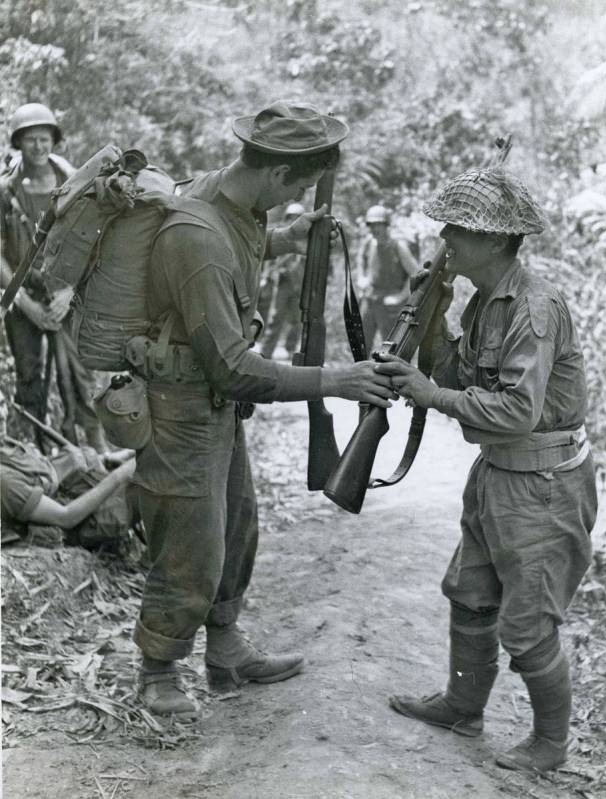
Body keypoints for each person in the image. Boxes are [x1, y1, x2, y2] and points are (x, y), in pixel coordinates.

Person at [129, 101, 396, 720]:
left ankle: (224, 647)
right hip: (181, 404)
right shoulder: (195, 237)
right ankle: (158, 670)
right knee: (188, 539)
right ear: (278, 175)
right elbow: (231, 365)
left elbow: (241, 246)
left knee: (236, 526)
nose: (297, 195)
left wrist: (285, 237)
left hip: (215, 403)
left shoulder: (234, 201)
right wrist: (334, 379)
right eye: (298, 187)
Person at [375, 167, 597, 773]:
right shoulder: (482, 304)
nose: (445, 237)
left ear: (498, 241)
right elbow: (456, 377)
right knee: (470, 596)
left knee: (526, 627)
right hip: (498, 474)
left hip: (543, 485)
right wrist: (435, 318)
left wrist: (429, 394)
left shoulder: (536, 309)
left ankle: (550, 743)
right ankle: (462, 705)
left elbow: (519, 411)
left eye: (459, 228)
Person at [0, 103, 106, 451]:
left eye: (44, 139)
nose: (38, 147)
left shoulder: (75, 183)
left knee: (79, 374)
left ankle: (91, 450)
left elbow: (91, 240)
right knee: (30, 377)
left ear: (54, 141)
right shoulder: (6, 191)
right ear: (18, 142)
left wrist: (70, 291)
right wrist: (25, 304)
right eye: (30, 139)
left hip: (67, 297)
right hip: (23, 297)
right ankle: (35, 454)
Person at [0, 392, 135, 547]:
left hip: (85, 491)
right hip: (83, 522)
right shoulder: (3, 479)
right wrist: (121, 474)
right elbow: (66, 517)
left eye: (2, 404)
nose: (2, 415)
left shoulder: (5, 443)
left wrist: (106, 459)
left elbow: (47, 472)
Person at [357, 204, 419, 351]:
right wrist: (362, 278)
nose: (374, 229)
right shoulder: (368, 243)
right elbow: (361, 260)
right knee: (361, 343)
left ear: (386, 225)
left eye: (379, 224)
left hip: (390, 302)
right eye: (371, 225)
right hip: (370, 297)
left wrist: (401, 296)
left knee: (392, 348)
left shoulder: (398, 246)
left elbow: (416, 275)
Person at [259, 202, 305, 360]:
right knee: (275, 318)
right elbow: (269, 261)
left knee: (297, 321)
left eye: (297, 218)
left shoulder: (307, 239)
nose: (294, 220)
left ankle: (291, 350)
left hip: (300, 285)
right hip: (282, 283)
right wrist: (266, 277)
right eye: (291, 217)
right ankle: (266, 351)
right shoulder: (282, 236)